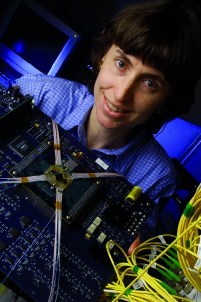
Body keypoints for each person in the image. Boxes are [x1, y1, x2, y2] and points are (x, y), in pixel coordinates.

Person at [13, 0, 201, 253]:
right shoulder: (39, 93)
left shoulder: (156, 177)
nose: (122, 94)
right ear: (102, 58)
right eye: (122, 64)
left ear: (165, 102)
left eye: (150, 84)